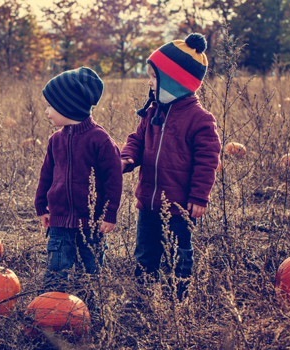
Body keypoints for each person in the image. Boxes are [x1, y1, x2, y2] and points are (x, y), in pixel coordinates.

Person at [120, 33, 221, 301]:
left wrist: (199, 196)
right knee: (145, 253)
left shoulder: (200, 120)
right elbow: (137, 140)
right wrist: (127, 158)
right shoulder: (154, 111)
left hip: (180, 206)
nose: (149, 83)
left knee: (179, 253)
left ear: (175, 81)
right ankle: (141, 297)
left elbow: (207, 160)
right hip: (148, 202)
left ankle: (177, 298)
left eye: (154, 77)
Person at [35, 67, 123, 293]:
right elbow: (46, 174)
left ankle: (91, 304)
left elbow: (112, 180)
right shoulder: (55, 140)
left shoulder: (100, 140)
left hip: (91, 222)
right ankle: (51, 308)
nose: (47, 112)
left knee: (91, 271)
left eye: (50, 106)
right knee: (56, 269)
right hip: (60, 219)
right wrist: (41, 206)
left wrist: (109, 213)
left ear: (69, 107)